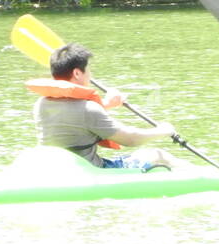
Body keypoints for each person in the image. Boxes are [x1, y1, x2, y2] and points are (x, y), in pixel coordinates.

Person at [30, 43, 176, 171]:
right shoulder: (89, 110)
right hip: (90, 171)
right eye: (88, 70)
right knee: (158, 155)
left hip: (57, 170)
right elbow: (131, 139)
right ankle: (197, 176)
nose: (90, 74)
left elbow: (74, 119)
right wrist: (164, 130)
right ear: (77, 73)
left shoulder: (41, 105)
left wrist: (106, 105)